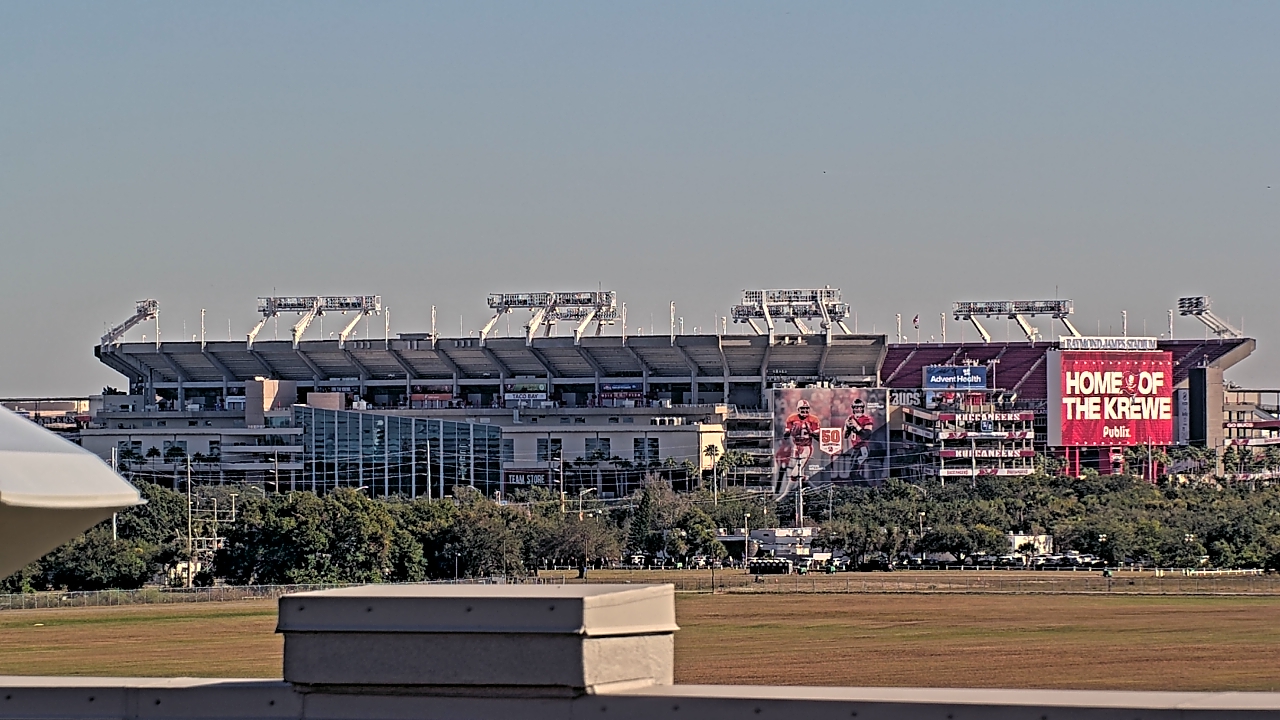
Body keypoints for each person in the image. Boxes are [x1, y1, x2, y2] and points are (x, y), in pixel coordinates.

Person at [834, 397, 875, 481]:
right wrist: (848, 427)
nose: (858, 409)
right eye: (856, 407)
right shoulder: (850, 418)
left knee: (853, 473)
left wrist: (856, 426)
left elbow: (866, 435)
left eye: (859, 407)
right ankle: (863, 487)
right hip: (855, 448)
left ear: (862, 408)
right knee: (853, 473)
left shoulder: (866, 419)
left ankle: (864, 488)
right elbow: (845, 435)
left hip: (863, 448)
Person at [782, 400, 821, 486]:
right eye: (802, 409)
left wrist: (810, 432)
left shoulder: (813, 419)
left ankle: (785, 495)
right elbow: (785, 436)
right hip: (796, 447)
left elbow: (819, 439)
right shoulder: (792, 418)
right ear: (798, 409)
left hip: (807, 447)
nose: (805, 411)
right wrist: (790, 431)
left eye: (807, 409)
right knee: (797, 473)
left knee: (794, 473)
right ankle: (814, 490)